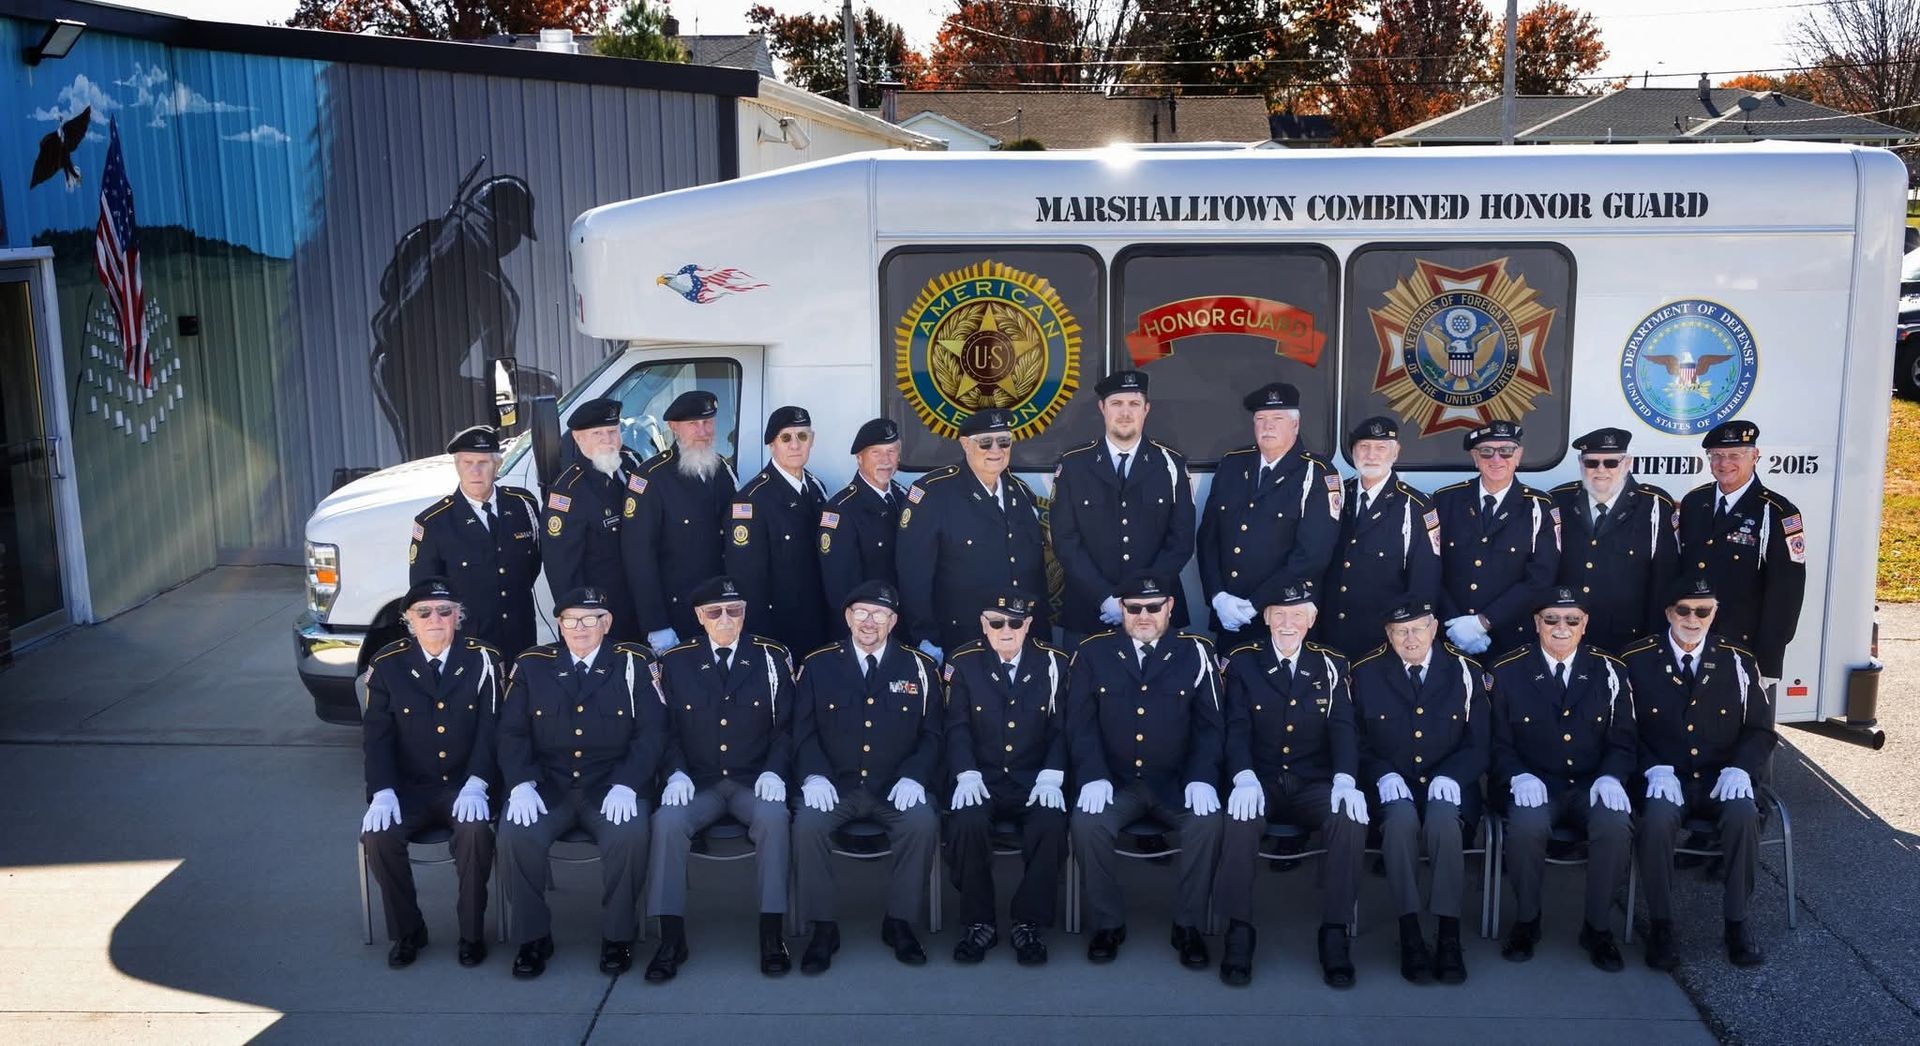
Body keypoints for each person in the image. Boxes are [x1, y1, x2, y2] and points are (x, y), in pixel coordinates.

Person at [495, 587, 666, 979]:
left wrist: (629, 783)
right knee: (515, 835)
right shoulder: (532, 664)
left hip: (609, 787)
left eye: (591, 619)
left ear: (607, 624)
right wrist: (520, 783)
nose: (580, 627)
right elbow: (511, 733)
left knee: (629, 835)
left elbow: (653, 732)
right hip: (547, 786)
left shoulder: (634, 663)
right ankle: (533, 937)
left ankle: (617, 936)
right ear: (559, 623)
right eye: (570, 619)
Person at [1066, 575, 1224, 969]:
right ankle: (1107, 923)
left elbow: (1211, 726)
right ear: (1121, 610)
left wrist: (1202, 775)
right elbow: (1079, 723)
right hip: (1117, 782)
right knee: (1087, 824)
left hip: (1176, 784)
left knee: (1208, 823)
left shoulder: (1197, 653)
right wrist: (1092, 773)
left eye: (1153, 607)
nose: (1144, 616)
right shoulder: (1092, 653)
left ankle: (1187, 925)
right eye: (1134, 607)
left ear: (1170, 606)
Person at [1213, 584, 1366, 989]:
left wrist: (1346, 779)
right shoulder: (1244, 663)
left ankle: (1334, 931)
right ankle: (1239, 930)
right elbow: (1237, 727)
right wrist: (1242, 774)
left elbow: (1343, 728)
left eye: (1298, 614)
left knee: (1347, 819)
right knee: (1239, 821)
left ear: (1312, 620)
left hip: (1312, 781)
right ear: (1265, 618)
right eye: (1279, 613)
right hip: (1260, 780)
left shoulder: (1331, 664)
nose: (1288, 623)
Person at [1619, 576, 1776, 969]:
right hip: (1664, 777)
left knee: (1743, 815)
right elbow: (1622, 730)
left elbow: (1760, 728)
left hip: (1719, 777)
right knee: (1654, 821)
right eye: (1684, 610)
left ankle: (1737, 922)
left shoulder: (1738, 661)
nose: (1693, 619)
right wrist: (1652, 768)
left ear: (1714, 613)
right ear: (1669, 613)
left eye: (1703, 611)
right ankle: (1661, 925)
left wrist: (1741, 769)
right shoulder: (1636, 660)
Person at [644, 576, 796, 980]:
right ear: (699, 617)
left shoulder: (771, 657)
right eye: (715, 611)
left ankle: (772, 933)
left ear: (745, 613)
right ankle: (671, 937)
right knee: (667, 822)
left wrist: (776, 770)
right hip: (700, 782)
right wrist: (674, 773)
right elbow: (665, 730)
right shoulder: (675, 662)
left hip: (752, 779)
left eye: (735, 610)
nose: (725, 618)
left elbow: (787, 728)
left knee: (775, 819)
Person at [790, 581, 943, 973]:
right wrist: (813, 776)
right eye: (861, 612)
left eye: (879, 614)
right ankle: (823, 928)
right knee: (807, 824)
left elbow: (933, 734)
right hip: (836, 788)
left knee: (922, 822)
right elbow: (802, 731)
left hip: (894, 789)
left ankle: (900, 922)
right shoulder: (819, 664)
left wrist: (915, 776)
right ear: (847, 617)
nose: (869, 621)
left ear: (893, 621)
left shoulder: (919, 668)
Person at [360, 577, 506, 968]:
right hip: (409, 789)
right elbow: (377, 737)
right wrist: (383, 791)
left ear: (459, 617)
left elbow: (492, 728)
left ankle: (471, 934)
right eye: (423, 612)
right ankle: (409, 931)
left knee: (475, 833)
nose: (435, 619)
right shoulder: (388, 664)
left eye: (445, 611)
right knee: (378, 837)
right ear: (409, 621)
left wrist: (479, 782)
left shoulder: (483, 659)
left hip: (465, 785)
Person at [1489, 587, 1636, 972]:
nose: (1561, 627)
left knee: (1616, 824)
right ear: (1536, 623)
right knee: (1525, 827)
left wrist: (1611, 777)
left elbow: (1624, 740)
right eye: (1551, 619)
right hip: (1536, 782)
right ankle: (1527, 920)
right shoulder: (1507, 671)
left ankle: (1597, 927)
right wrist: (1517, 775)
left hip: (1591, 785)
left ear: (1584, 625)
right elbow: (1496, 742)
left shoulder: (1610, 671)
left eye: (1572, 620)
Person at [1349, 599, 1490, 985]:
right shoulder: (1365, 673)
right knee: (1398, 823)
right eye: (1401, 631)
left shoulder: (1465, 672)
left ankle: (1447, 933)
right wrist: (1379, 773)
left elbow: (1480, 743)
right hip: (1392, 784)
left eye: (1418, 628)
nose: (1411, 638)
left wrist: (1456, 775)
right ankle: (1410, 933)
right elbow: (1354, 740)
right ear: (1389, 635)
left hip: (1450, 785)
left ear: (1435, 628)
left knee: (1445, 822)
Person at [942, 593, 1071, 966]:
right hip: (981, 778)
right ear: (983, 625)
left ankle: (1028, 923)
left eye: (1015, 623)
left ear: (1028, 625)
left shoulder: (1053, 662)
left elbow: (1064, 728)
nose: (1006, 630)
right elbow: (957, 727)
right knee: (966, 822)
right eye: (996, 623)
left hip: (1034, 778)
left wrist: (1053, 772)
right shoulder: (963, 663)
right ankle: (978, 921)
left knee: (1050, 824)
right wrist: (964, 772)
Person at [1049, 369, 1196, 644]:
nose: (1125, 413)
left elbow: (1181, 540)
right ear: (1102, 408)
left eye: (1134, 404)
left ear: (1146, 409)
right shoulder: (1073, 465)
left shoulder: (1171, 465)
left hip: (1156, 613)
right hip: (1090, 611)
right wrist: (1104, 597)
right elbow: (1065, 541)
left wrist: (1143, 599)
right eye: (1116, 404)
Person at [895, 408, 1050, 660]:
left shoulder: (1020, 492)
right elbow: (914, 575)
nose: (995, 450)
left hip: (1021, 639)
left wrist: (1041, 631)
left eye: (1004, 441)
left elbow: (1033, 571)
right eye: (985, 443)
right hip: (963, 639)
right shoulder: (933, 494)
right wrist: (925, 637)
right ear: (966, 445)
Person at [1198, 382, 1341, 638]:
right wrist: (1217, 596)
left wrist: (1255, 604)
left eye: (1278, 418)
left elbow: (1311, 556)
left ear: (1295, 425)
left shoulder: (1317, 473)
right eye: (1261, 419)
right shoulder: (1232, 464)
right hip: (1230, 613)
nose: (1268, 426)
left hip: (1283, 618)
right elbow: (1209, 538)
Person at [1677, 419, 1808, 684]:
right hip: (1691, 641)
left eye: (1734, 455)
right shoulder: (1694, 502)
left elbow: (1787, 593)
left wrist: (1769, 662)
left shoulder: (1778, 512)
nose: (1724, 464)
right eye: (1717, 456)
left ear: (1754, 457)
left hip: (1743, 648)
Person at [410, 425, 543, 657]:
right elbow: (426, 594)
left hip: (520, 636)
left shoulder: (523, 505)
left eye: (483, 463)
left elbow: (532, 565)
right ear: (457, 466)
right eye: (467, 463)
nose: (475, 471)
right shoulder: (434, 523)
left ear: (497, 465)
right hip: (469, 647)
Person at [1431, 420, 1560, 657]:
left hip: (1512, 639)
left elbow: (1540, 578)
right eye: (1487, 452)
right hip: (1450, 635)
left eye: (1506, 451)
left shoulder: (1539, 507)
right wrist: (1454, 624)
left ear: (1518, 456)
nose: (1496, 459)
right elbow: (1430, 567)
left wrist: (1482, 622)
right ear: (1475, 457)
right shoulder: (1444, 501)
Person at [624, 390, 740, 651]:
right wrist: (656, 624)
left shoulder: (724, 471)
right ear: (674, 427)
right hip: (677, 615)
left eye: (708, 422)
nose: (703, 431)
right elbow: (639, 556)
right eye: (693, 424)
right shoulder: (651, 478)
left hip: (719, 613)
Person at [1318, 415, 1441, 660]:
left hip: (1381, 639)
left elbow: (1424, 580)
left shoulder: (1416, 506)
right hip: (1328, 633)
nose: (1371, 455)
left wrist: (1407, 635)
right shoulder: (1335, 495)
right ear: (1352, 452)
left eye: (1380, 448)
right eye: (1364, 447)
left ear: (1395, 454)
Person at [1549, 427, 1679, 654]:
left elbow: (1663, 583)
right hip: (1567, 638)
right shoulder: (1559, 501)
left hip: (1627, 641)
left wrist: (1652, 646)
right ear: (1581, 464)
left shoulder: (1654, 507)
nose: (1601, 470)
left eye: (1611, 463)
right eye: (1592, 463)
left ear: (1626, 464)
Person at [725, 406, 832, 655]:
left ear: (812, 440)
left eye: (802, 436)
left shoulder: (816, 488)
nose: (795, 445)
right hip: (779, 629)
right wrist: (762, 642)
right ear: (772, 444)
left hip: (817, 622)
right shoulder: (751, 501)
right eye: (786, 438)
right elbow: (747, 580)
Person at [540, 399, 644, 642]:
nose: (608, 440)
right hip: (602, 616)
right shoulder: (567, 493)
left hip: (640, 605)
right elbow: (563, 571)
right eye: (597, 433)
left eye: (612, 431)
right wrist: (583, 623)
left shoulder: (630, 466)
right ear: (578, 438)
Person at [818, 418, 909, 634]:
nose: (886, 460)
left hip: (901, 622)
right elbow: (840, 588)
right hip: (867, 629)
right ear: (859, 458)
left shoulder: (904, 497)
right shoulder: (840, 510)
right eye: (876, 453)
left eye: (891, 451)